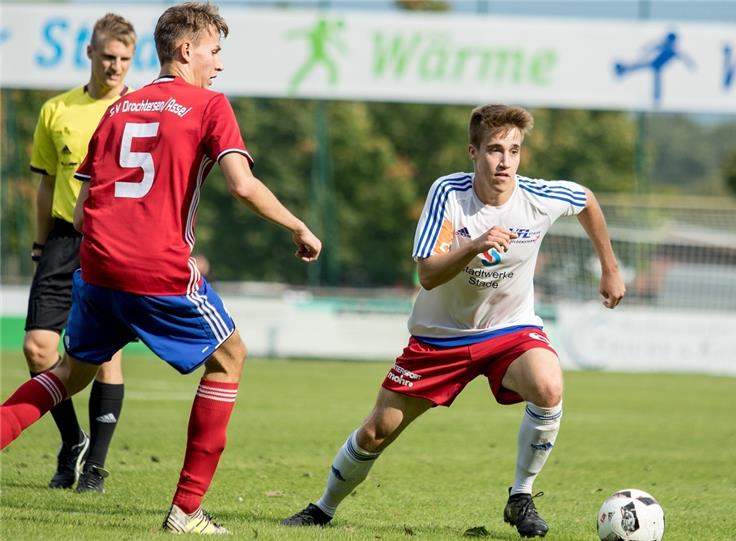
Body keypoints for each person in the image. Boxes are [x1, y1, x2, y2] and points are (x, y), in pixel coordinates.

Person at [1, 2, 321, 535]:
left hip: (97, 268)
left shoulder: (117, 110)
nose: (219, 65)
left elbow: (81, 209)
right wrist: (297, 226)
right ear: (186, 49)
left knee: (68, 372)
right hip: (158, 270)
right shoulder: (209, 105)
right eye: (215, 51)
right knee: (229, 357)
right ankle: (187, 509)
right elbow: (241, 184)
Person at [281, 104, 626, 538]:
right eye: (495, 150)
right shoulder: (448, 194)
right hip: (440, 338)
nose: (505, 161)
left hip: (509, 330)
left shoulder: (537, 197)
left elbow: (587, 200)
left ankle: (521, 496)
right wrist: (475, 245)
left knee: (549, 384)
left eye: (514, 150)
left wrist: (609, 268)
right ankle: (323, 509)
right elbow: (427, 273)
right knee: (376, 431)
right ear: (473, 152)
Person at [25, 13, 137, 493]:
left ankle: (96, 468)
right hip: (64, 238)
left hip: (115, 240)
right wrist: (39, 241)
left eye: (125, 60)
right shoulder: (57, 110)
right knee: (37, 347)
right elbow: (47, 182)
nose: (115, 67)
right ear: (90, 53)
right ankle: (72, 440)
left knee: (105, 353)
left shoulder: (139, 107)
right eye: (108, 57)